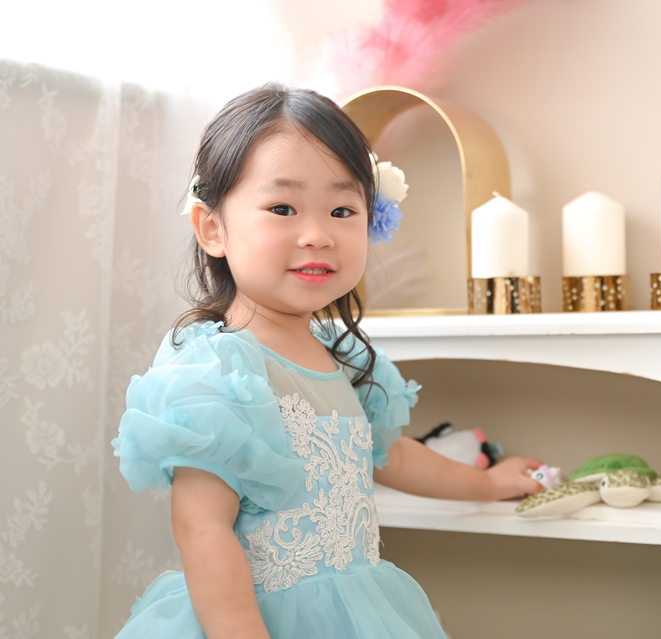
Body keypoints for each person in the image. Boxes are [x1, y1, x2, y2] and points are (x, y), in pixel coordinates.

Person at [111, 83, 545, 638]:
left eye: (342, 210)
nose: (317, 235)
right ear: (213, 229)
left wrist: (486, 484)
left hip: (358, 612)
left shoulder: (344, 357)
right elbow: (203, 530)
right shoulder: (218, 370)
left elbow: (389, 455)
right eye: (282, 208)